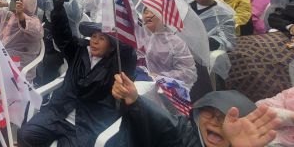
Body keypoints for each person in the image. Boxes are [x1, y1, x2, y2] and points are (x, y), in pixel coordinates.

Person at [17, 0, 137, 147]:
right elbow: (63, 37)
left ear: (111, 46)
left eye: (101, 38)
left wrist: (125, 27)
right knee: (25, 134)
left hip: (87, 123)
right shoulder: (80, 49)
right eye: (93, 36)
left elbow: (129, 54)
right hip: (58, 111)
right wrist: (58, 8)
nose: (94, 41)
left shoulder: (117, 63)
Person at [112, 74, 281, 147]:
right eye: (211, 112)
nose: (216, 121)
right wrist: (134, 100)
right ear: (198, 113)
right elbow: (157, 119)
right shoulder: (184, 130)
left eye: (227, 118)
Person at [139, 7, 197, 90]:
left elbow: (188, 73)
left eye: (153, 12)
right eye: (146, 12)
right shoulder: (140, 37)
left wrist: (159, 76)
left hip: (167, 91)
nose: (148, 15)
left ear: (164, 16)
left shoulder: (176, 42)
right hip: (141, 85)